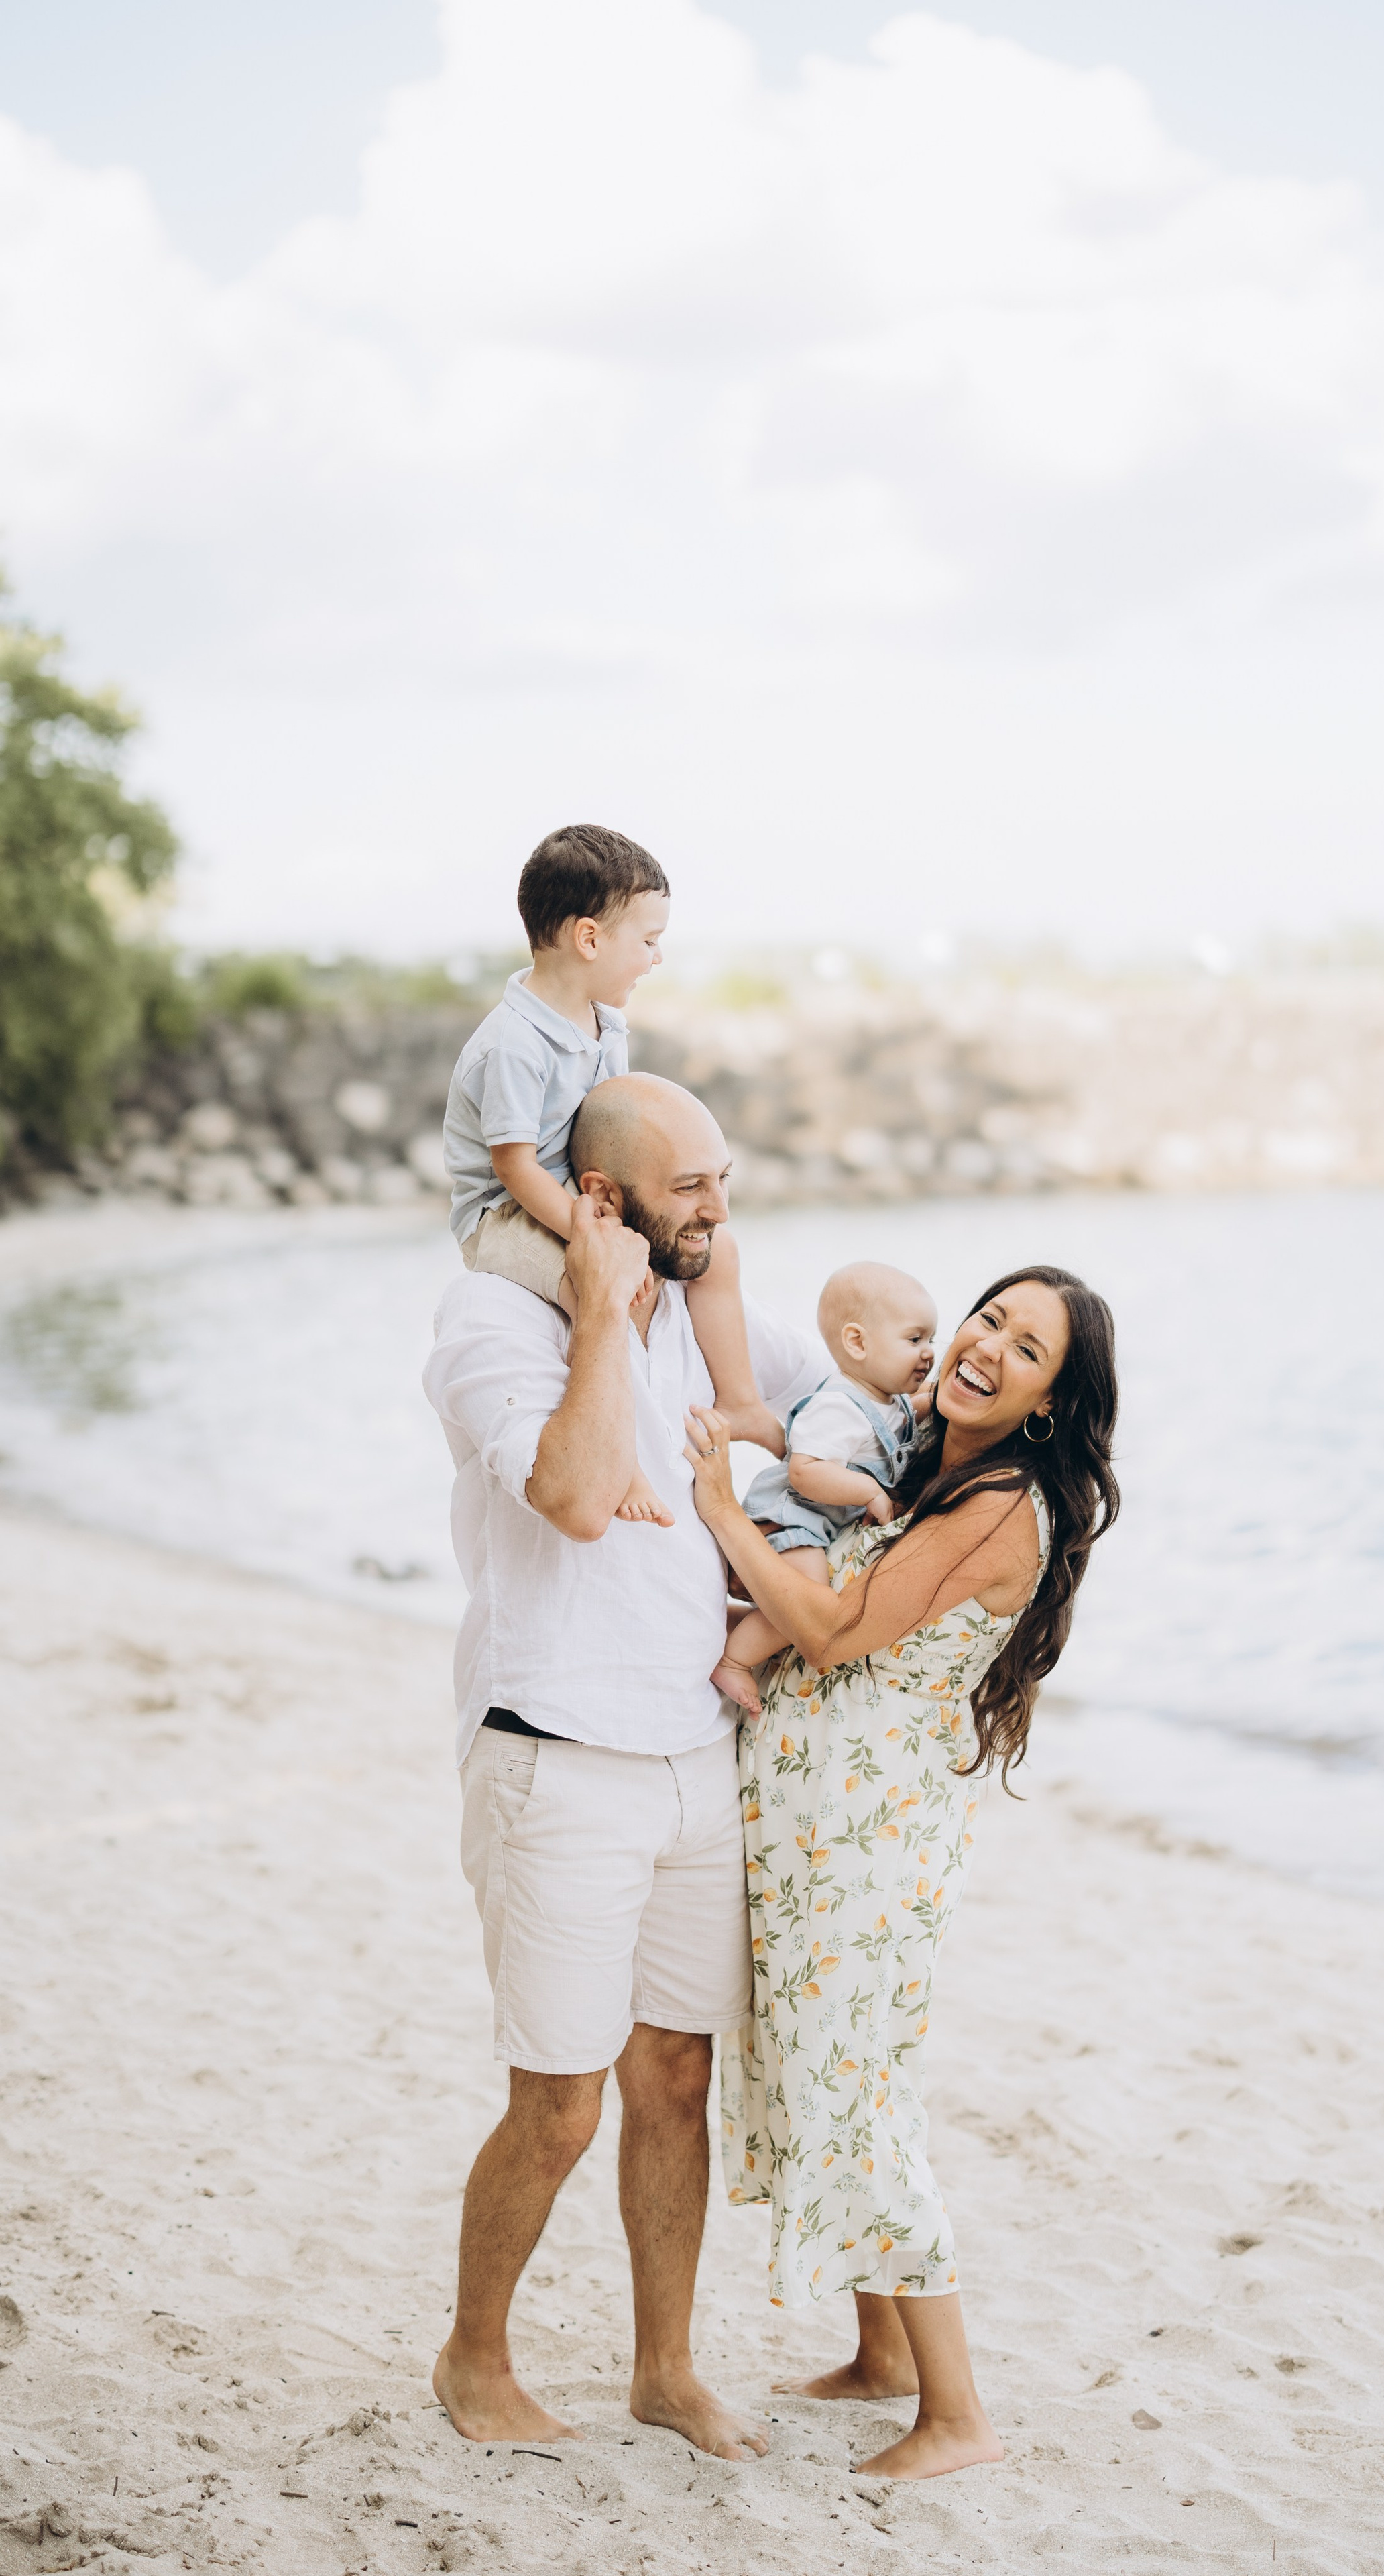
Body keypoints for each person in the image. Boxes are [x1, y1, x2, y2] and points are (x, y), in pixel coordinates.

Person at [421, 1072, 825, 2459]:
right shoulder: (492, 1319)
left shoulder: (707, 1305)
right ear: (600, 1200)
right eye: (688, 1186)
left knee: (673, 2079)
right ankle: (475, 2359)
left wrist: (792, 1486)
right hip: (558, 1752)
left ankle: (664, 2369)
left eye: (722, 1175)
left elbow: (843, 1385)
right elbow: (580, 1497)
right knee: (558, 2102)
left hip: (693, 1750)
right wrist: (600, 1306)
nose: (718, 1206)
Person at [681, 1265, 1120, 2481]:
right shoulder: (930, 1451)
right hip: (827, 1825)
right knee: (828, 2069)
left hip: (865, 1846)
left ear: (1046, 1400)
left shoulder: (1001, 1503)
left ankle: (957, 2415)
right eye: (988, 1317)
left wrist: (724, 1513)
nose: (986, 1347)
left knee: (858, 2091)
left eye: (1025, 1349)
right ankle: (879, 2356)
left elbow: (832, 1630)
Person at [442, 823, 784, 1526]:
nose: (657, 958)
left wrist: (646, 1197)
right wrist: (593, 1236)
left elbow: (615, 1122)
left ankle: (742, 1396)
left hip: (585, 1191)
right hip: (507, 1212)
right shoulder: (514, 1044)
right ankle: (621, 1456)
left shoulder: (606, 1024)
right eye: (649, 940)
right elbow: (513, 1167)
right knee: (602, 1288)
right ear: (591, 940)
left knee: (718, 1251)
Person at [712, 1261, 937, 1710]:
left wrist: (936, 1401)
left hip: (819, 1520)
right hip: (795, 1517)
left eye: (931, 1339)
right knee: (808, 1606)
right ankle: (733, 1661)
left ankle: (730, 1626)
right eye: (914, 1339)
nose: (928, 1352)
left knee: (801, 1606)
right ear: (857, 1342)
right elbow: (806, 1470)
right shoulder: (836, 1406)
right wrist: (869, 1492)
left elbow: (898, 1422)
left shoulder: (886, 1398)